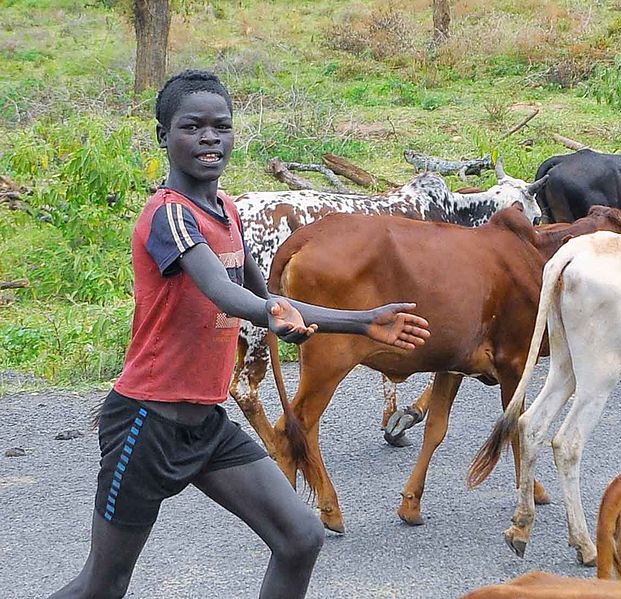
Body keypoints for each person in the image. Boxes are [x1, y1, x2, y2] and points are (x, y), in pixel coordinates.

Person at [48, 69, 430, 599]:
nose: (210, 137)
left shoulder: (225, 211)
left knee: (299, 537)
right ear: (164, 136)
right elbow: (223, 293)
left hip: (205, 425)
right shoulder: (169, 216)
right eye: (192, 126)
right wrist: (271, 315)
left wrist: (363, 321)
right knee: (104, 584)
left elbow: (267, 302)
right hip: (146, 423)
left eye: (221, 127)